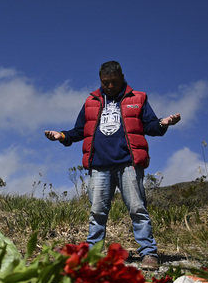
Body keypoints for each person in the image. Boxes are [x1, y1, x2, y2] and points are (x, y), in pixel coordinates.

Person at [44, 61, 181, 268]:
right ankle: (93, 254)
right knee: (97, 211)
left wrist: (163, 123)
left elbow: (150, 126)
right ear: (100, 80)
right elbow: (81, 129)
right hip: (99, 165)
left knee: (137, 208)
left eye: (113, 82)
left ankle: (149, 254)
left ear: (122, 78)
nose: (109, 86)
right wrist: (62, 135)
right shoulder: (91, 101)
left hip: (128, 163)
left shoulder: (138, 98)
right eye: (105, 82)